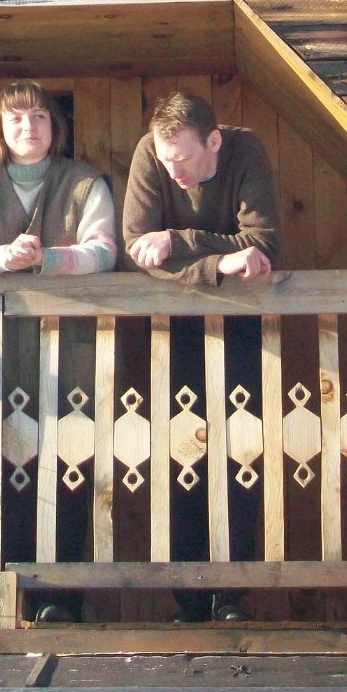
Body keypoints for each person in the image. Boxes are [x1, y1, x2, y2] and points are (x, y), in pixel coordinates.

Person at [0, 79, 117, 622]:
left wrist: (49, 260)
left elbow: (105, 251)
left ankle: (60, 601)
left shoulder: (85, 182)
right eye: (16, 118)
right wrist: (2, 258)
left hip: (68, 350)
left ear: (54, 126)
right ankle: (3, 602)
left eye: (39, 116)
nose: (28, 126)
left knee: (68, 467)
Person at [122, 90, 281, 622]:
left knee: (241, 450)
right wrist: (218, 263)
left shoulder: (245, 150)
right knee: (180, 452)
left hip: (240, 323)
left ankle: (231, 594)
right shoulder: (151, 153)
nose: (174, 171)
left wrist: (178, 241)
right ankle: (188, 599)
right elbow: (138, 245)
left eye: (184, 159)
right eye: (166, 159)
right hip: (171, 330)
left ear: (213, 141)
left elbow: (262, 243)